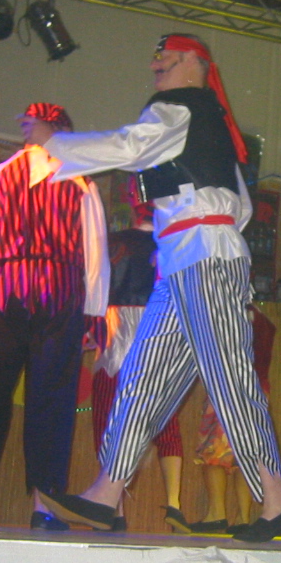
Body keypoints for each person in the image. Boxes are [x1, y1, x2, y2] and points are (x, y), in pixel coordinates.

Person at [35, 33, 281, 542]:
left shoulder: (178, 106)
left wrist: (55, 143)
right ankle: (107, 492)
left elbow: (130, 146)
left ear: (196, 64)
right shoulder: (211, 123)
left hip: (203, 257)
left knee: (228, 378)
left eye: (167, 58)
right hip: (186, 260)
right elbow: (240, 205)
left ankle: (275, 498)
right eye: (155, 57)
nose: (156, 64)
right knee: (141, 378)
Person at [0, 103, 108, 531]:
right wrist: (94, 314)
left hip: (6, 295)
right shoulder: (80, 182)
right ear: (62, 132)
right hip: (60, 299)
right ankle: (43, 507)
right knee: (51, 402)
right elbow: (96, 255)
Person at [89, 200, 190, 533]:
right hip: (157, 330)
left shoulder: (112, 242)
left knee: (106, 418)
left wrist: (90, 327)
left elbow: (95, 286)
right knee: (166, 421)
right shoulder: (174, 243)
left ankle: (113, 508)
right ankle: (174, 503)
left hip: (116, 329)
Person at [190, 304, 276, 535]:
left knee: (214, 452)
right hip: (257, 392)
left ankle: (216, 514)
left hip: (228, 389)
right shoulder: (262, 320)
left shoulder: (228, 314)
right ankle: (243, 518)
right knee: (245, 456)